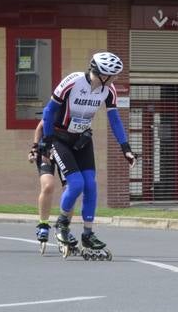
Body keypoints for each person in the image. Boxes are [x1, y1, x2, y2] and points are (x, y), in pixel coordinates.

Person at [39, 52, 137, 258]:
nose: (115, 79)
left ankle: (87, 233)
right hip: (59, 137)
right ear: (102, 74)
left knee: (91, 185)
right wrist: (46, 141)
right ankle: (62, 225)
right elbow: (48, 112)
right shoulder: (72, 82)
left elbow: (115, 120)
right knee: (76, 184)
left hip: (82, 139)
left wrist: (125, 147)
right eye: (113, 75)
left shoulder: (108, 91)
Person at [30, 119, 59, 246]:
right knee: (48, 186)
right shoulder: (57, 106)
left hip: (67, 151)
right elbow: (40, 126)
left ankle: (64, 226)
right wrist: (34, 148)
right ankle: (43, 224)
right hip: (46, 151)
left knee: (70, 187)